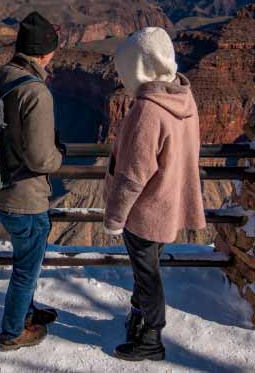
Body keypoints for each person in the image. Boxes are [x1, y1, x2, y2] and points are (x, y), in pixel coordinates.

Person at [102, 27, 206, 362]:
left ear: (140, 67)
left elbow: (133, 175)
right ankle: (139, 317)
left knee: (147, 274)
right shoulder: (182, 96)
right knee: (147, 268)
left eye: (126, 69)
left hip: (145, 211)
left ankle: (151, 337)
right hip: (171, 201)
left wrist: (115, 218)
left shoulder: (148, 111)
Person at [0, 11, 64, 351]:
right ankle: (13, 332)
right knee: (27, 267)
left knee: (26, 256)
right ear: (45, 53)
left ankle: (27, 311)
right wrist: (60, 156)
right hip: (24, 197)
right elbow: (42, 159)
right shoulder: (35, 92)